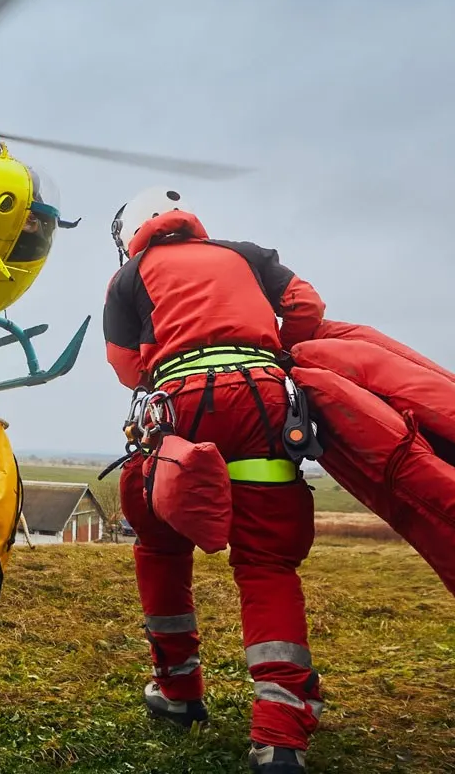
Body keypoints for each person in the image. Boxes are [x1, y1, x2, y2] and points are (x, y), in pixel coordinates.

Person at [101, 187, 326, 774]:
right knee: (266, 563)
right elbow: (306, 306)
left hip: (181, 406)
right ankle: (280, 729)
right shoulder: (248, 255)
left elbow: (128, 367)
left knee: (160, 544)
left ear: (131, 236)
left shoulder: (128, 280)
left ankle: (178, 689)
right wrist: (275, 351)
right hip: (266, 401)